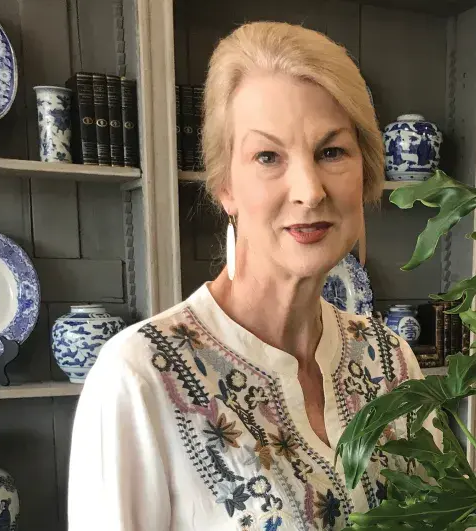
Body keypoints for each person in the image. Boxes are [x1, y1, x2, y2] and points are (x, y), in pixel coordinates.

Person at [67, 21, 431, 531]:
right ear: (225, 186)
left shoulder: (392, 361)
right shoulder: (139, 377)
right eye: (268, 157)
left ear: (365, 171)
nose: (309, 190)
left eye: (331, 152)